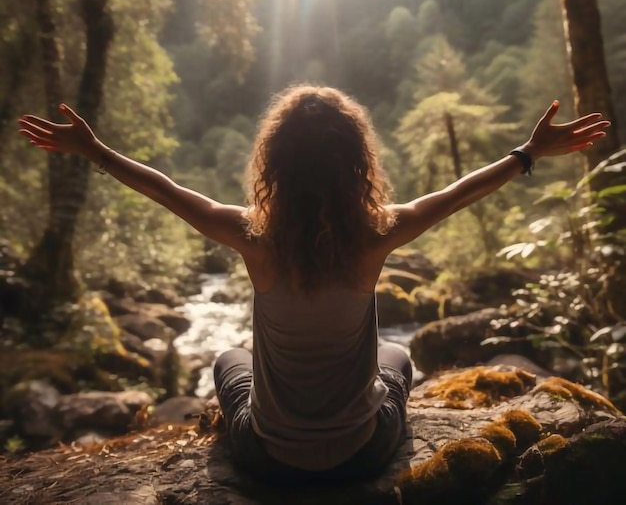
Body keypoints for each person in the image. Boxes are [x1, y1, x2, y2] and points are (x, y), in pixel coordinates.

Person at [18, 86, 609, 484]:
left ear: (274, 165)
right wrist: (529, 153)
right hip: (364, 455)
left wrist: (92, 149)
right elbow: (457, 194)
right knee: (397, 356)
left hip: (266, 460)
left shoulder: (252, 235)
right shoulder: (379, 233)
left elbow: (165, 190)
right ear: (358, 163)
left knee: (229, 357)